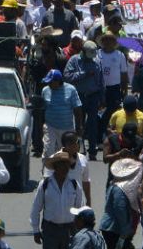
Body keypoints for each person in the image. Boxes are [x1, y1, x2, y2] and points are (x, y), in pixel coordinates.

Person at [30, 152, 84, 249]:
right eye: (62, 164)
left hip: (70, 230)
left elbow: (79, 210)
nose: (65, 167)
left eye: (67, 164)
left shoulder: (74, 185)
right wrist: (36, 230)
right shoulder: (45, 184)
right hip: (50, 230)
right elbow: (36, 208)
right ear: (55, 166)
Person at [27, 27, 68, 156]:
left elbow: (64, 76)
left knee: (54, 118)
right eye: (42, 44)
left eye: (46, 44)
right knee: (38, 119)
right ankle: (38, 146)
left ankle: (55, 145)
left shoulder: (60, 58)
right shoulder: (36, 56)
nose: (43, 46)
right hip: (40, 91)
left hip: (56, 92)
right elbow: (32, 74)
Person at [63, 40, 106, 161]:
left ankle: (92, 150)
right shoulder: (74, 60)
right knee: (78, 124)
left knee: (93, 124)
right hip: (79, 96)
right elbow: (67, 76)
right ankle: (77, 149)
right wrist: (84, 74)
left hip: (93, 96)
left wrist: (102, 98)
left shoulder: (97, 62)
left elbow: (101, 81)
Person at [41, 69, 84, 164]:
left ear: (58, 81)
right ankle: (47, 173)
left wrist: (79, 126)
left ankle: (66, 174)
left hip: (66, 127)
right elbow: (42, 109)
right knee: (49, 149)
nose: (49, 84)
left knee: (65, 152)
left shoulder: (71, 90)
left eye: (51, 82)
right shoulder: (45, 90)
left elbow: (77, 109)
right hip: (50, 126)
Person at [101, 159, 143, 249]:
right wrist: (125, 230)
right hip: (115, 229)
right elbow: (120, 208)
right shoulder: (120, 188)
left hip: (114, 228)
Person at [42, 131, 93, 207]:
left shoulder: (83, 159)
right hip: (59, 204)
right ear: (67, 146)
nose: (78, 145)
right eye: (76, 142)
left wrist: (88, 203)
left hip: (77, 204)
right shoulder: (54, 160)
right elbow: (46, 182)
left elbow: (86, 182)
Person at [97, 32, 130, 141]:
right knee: (99, 112)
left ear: (114, 42)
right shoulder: (98, 54)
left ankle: (110, 134)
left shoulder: (119, 55)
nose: (108, 42)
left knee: (113, 111)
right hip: (100, 88)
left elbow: (124, 73)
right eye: (105, 39)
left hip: (115, 88)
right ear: (102, 41)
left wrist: (124, 89)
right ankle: (99, 135)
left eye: (110, 39)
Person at [103, 122, 143, 187]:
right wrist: (118, 154)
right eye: (126, 137)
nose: (128, 140)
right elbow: (105, 159)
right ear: (122, 134)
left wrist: (132, 157)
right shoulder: (111, 139)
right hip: (114, 178)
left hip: (132, 179)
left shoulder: (140, 142)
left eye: (131, 138)